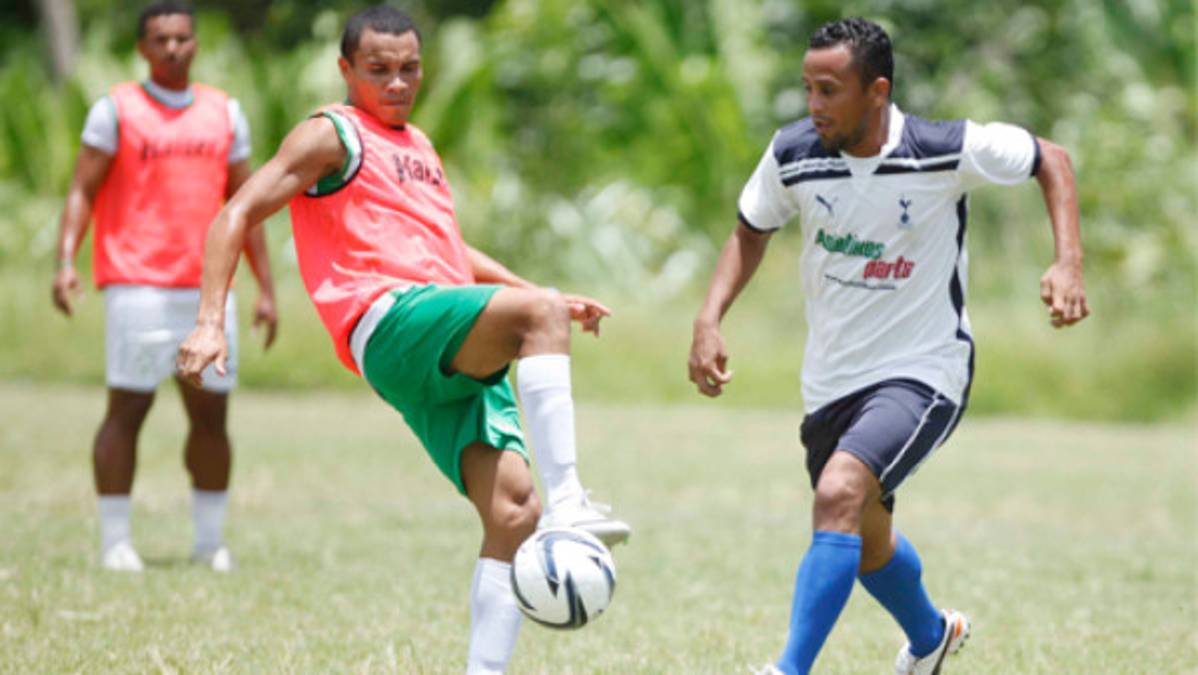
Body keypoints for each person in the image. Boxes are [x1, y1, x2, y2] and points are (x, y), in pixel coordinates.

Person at [176, 6, 629, 672]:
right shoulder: (331, 133)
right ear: (346, 70)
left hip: (439, 332)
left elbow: (450, 249)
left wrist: (544, 298)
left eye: (409, 69)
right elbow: (237, 211)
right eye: (378, 70)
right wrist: (211, 317)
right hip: (386, 319)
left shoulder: (417, 144)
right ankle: (573, 504)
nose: (395, 83)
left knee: (512, 511)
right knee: (536, 340)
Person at [688, 17, 1088, 675]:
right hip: (831, 381)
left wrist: (1067, 260)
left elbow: (1054, 159)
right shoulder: (794, 153)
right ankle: (932, 636)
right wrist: (710, 316)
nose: (813, 106)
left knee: (840, 493)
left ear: (877, 91)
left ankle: (787, 669)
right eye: (807, 89)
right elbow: (750, 228)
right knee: (864, 534)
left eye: (828, 90)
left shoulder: (941, 147)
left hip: (925, 370)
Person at [51, 0, 278, 573]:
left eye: (181, 37)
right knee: (127, 409)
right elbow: (82, 189)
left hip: (208, 291)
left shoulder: (225, 113)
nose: (172, 47)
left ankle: (208, 543)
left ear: (195, 43)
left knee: (211, 420)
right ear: (143, 48)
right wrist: (65, 260)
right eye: (160, 39)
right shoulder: (116, 111)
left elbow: (245, 208)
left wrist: (266, 288)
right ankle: (115, 543)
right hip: (138, 285)